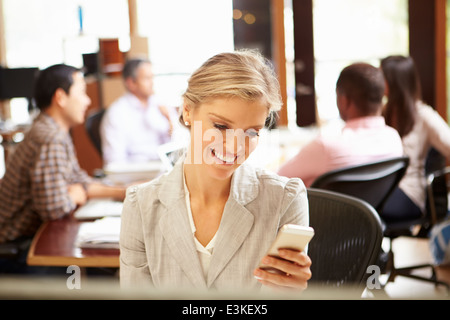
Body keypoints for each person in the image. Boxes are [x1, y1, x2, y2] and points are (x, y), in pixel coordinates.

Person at [119, 50, 312, 292]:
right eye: (221, 126)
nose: (235, 147)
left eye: (252, 132)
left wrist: (289, 295)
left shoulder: (285, 199)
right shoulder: (140, 206)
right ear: (187, 110)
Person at [0, 64, 126, 249]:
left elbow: (78, 180)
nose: (87, 101)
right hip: (18, 247)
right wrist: (73, 196)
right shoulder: (49, 138)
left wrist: (125, 191)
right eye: (82, 92)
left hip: (28, 240)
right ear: (60, 97)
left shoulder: (53, 130)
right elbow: (53, 207)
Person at [277, 62, 403, 187]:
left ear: (344, 100)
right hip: (373, 207)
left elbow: (277, 180)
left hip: (324, 208)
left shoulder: (325, 147)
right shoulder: (393, 139)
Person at [380, 55, 450, 222]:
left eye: (382, 77)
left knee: (364, 209)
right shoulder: (383, 111)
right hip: (383, 186)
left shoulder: (424, 116)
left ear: (395, 81)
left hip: (408, 191)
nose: (378, 82)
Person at [100, 58, 178, 165]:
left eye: (152, 77)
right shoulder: (116, 114)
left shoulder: (161, 105)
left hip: (164, 167)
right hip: (136, 174)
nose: (152, 83)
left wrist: (170, 122)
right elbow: (115, 161)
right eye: (147, 78)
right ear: (131, 83)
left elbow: (177, 144)